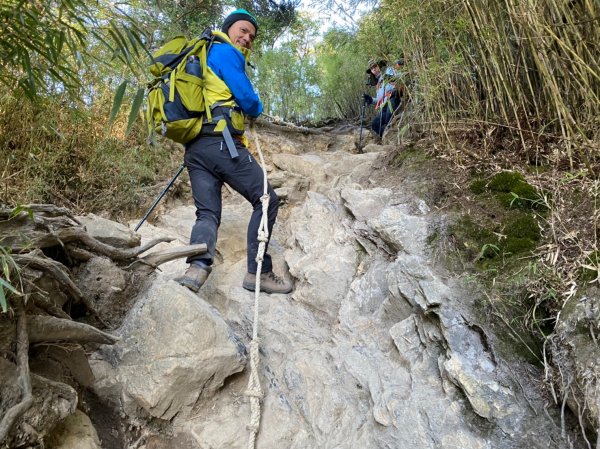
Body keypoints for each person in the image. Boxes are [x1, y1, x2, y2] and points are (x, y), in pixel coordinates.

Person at [177, 9, 293, 294]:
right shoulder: (225, 53)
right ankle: (260, 274)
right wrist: (255, 108)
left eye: (251, 36)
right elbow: (248, 100)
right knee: (267, 200)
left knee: (207, 214)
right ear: (228, 29)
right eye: (242, 31)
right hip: (222, 144)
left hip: (196, 149)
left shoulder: (203, 57)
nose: (247, 38)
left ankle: (196, 270)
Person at [363, 58, 399, 137]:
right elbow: (379, 100)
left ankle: (392, 135)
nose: (374, 69)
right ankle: (387, 137)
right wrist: (371, 99)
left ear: (379, 65)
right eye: (371, 68)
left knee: (387, 118)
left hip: (394, 98)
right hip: (384, 106)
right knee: (375, 124)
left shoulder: (389, 69)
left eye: (375, 66)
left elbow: (399, 79)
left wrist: (390, 78)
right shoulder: (378, 84)